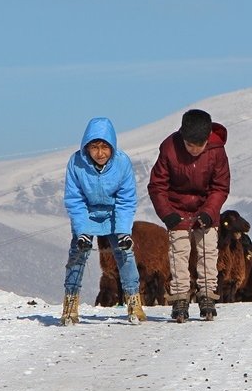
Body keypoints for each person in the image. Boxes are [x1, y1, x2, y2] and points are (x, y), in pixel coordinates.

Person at [148, 109, 230, 322]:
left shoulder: (217, 151)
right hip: (177, 209)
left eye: (198, 145)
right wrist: (167, 214)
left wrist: (210, 212)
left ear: (206, 140)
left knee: (208, 251)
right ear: (182, 137)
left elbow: (220, 187)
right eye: (189, 145)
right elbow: (157, 186)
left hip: (205, 208)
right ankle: (180, 297)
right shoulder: (169, 148)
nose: (194, 150)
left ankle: (207, 295)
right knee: (179, 252)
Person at [60, 117, 144, 326]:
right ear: (86, 147)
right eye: (94, 147)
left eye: (105, 147)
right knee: (77, 255)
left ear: (112, 146)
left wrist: (124, 231)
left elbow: (126, 200)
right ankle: (70, 304)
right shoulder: (76, 163)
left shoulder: (122, 163)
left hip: (114, 213)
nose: (100, 153)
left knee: (125, 253)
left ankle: (134, 301)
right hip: (86, 212)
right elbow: (74, 198)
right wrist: (82, 232)